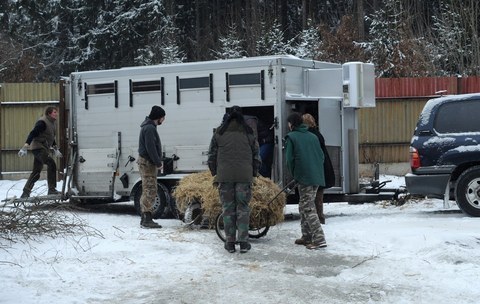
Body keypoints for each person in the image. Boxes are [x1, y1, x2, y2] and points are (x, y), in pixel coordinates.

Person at [208, 106, 261, 253]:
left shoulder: (219, 132)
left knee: (228, 209)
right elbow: (257, 156)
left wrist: (215, 173)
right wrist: (254, 173)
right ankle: (244, 242)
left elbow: (211, 156)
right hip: (244, 177)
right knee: (243, 208)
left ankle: (229, 243)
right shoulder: (249, 133)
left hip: (225, 177)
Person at [285, 112, 327, 249]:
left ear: (291, 124)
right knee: (304, 205)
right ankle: (306, 236)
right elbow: (321, 156)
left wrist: (295, 174)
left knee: (308, 207)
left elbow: (289, 160)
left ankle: (319, 238)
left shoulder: (291, 137)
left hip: (304, 178)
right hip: (316, 177)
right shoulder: (313, 136)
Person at [18, 106, 62, 198]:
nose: (56, 114)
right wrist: (26, 146)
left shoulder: (52, 123)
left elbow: (50, 137)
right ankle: (52, 189)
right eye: (54, 112)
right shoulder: (42, 122)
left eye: (56, 112)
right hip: (38, 148)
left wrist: (55, 148)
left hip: (42, 148)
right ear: (49, 113)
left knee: (36, 172)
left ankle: (25, 192)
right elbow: (32, 133)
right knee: (51, 163)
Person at [302, 113, 335, 224]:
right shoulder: (317, 133)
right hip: (323, 166)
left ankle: (319, 218)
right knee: (319, 195)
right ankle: (319, 217)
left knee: (316, 196)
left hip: (318, 167)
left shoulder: (310, 135)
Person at [137, 105, 166, 229]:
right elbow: (151, 147)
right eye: (163, 118)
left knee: (149, 189)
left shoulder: (148, 127)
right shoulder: (149, 128)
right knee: (150, 189)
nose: (163, 120)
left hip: (147, 162)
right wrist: (158, 162)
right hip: (148, 163)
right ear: (158, 117)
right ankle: (147, 219)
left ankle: (145, 217)